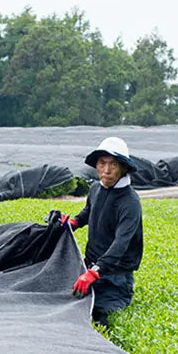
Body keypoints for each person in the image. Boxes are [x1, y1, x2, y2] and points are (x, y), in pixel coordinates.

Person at [57, 135, 143, 322]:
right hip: (91, 270)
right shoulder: (96, 188)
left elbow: (120, 244)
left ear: (123, 167)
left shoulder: (130, 202)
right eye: (102, 163)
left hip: (115, 279)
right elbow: (89, 211)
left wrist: (95, 272)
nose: (106, 170)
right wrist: (73, 224)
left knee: (100, 317)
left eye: (113, 164)